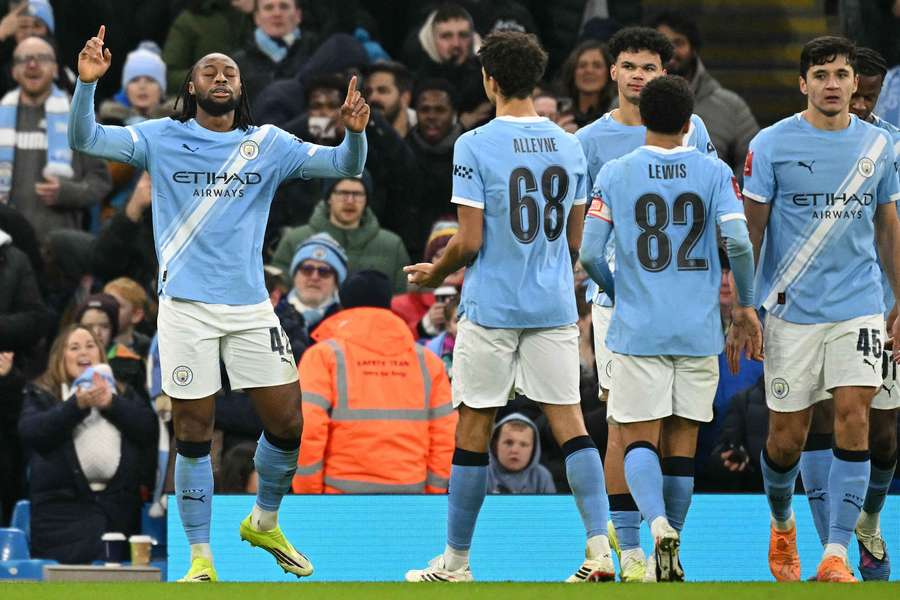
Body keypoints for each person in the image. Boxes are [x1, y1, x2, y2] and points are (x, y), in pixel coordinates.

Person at [69, 25, 369, 582]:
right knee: (194, 431)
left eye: (230, 71)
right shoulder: (160, 136)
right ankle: (201, 559)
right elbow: (87, 140)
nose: (221, 77)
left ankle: (264, 520)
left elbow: (345, 167)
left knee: (287, 423)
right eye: (210, 70)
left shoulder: (269, 145)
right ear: (190, 84)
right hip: (185, 307)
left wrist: (354, 136)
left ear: (241, 86)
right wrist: (87, 86)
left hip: (252, 307)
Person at [404, 31, 615, 583]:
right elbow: (574, 240)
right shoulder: (569, 145)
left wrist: (435, 271)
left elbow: (469, 241)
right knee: (570, 424)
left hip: (493, 307)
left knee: (474, 426)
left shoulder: (474, 143)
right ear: (535, 79)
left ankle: (456, 562)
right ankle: (599, 551)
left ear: (489, 80)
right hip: (551, 305)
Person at [580, 74, 760, 582]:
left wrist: (618, 291)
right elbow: (740, 245)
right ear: (689, 123)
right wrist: (744, 306)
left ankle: (653, 526)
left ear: (641, 118)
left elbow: (590, 253)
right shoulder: (712, 170)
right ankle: (671, 550)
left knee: (636, 435)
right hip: (698, 328)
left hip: (639, 328)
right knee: (681, 443)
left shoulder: (615, 172)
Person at [742, 36, 900, 583]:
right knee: (786, 438)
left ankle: (835, 554)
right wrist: (744, 305)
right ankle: (782, 523)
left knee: (856, 415)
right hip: (789, 309)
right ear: (803, 83)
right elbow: (751, 231)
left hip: (859, 304)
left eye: (841, 74)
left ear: (856, 83)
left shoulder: (880, 148)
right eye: (821, 74)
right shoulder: (771, 143)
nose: (832, 84)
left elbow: (887, 226)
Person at [573, 26, 717, 583]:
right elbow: (581, 232)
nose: (638, 75)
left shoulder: (694, 130)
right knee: (622, 424)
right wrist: (606, 290)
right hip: (619, 294)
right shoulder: (589, 141)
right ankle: (631, 551)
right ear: (611, 71)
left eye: (649, 68)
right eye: (629, 65)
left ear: (667, 75)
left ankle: (659, 545)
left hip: (683, 298)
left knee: (675, 425)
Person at [794, 46, 900, 582]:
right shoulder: (793, 141)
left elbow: (890, 226)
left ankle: (870, 520)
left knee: (881, 435)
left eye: (866, 94)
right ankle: (830, 552)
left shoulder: (889, 147)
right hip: (814, 310)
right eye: (844, 88)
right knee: (820, 419)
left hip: (879, 305)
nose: (854, 101)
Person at [293, 270, 456, 494]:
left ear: (343, 302)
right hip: (411, 495)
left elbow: (309, 429)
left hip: (337, 497)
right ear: (388, 303)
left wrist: (309, 495)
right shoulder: (428, 362)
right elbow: (444, 435)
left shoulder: (322, 357)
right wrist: (432, 494)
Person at [17, 324, 158, 564]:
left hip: (118, 515)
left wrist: (112, 404)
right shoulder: (42, 394)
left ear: (101, 355)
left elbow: (148, 429)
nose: (84, 352)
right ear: (60, 358)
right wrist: (76, 406)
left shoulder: (124, 393)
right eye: (74, 347)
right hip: (61, 519)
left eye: (90, 346)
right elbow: (32, 432)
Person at [1, 36, 111, 240]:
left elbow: (101, 181)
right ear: (13, 71)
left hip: (59, 249)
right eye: (24, 59)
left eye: (41, 58)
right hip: (7, 247)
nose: (32, 65)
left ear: (54, 69)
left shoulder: (80, 115)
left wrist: (69, 193)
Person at [650, 10, 759, 176]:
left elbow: (754, 161)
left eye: (678, 43)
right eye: (662, 44)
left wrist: (726, 194)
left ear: (693, 49)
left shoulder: (732, 107)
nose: (670, 51)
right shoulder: (628, 105)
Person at [271, 175, 410, 293]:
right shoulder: (295, 239)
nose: (350, 201)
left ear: (367, 200)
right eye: (343, 193)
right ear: (329, 198)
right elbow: (278, 291)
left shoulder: (392, 245)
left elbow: (401, 298)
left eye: (357, 194)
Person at [404, 79, 463, 258]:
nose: (431, 116)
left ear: (454, 113)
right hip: (411, 250)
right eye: (425, 109)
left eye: (440, 110)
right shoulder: (403, 153)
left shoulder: (471, 153)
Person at [232, 0, 319, 106]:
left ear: (298, 15)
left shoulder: (317, 52)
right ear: (257, 17)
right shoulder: (237, 64)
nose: (277, 14)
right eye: (269, 8)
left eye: (284, 7)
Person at [162, 0, 254, 93]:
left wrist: (253, 13)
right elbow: (170, 76)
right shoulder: (191, 20)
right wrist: (206, 78)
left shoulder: (253, 12)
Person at [392, 221, 463, 341]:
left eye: (455, 255)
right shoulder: (401, 305)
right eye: (440, 255)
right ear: (428, 263)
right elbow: (392, 343)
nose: (448, 263)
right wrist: (423, 327)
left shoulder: (482, 300)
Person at [276, 232, 347, 343]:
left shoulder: (347, 322)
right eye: (307, 269)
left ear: (336, 282)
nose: (314, 277)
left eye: (324, 272)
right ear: (294, 275)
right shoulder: (270, 313)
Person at [487, 413, 556, 494]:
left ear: (534, 449)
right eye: (508, 443)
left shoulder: (542, 476)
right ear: (495, 446)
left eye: (523, 444)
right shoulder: (482, 474)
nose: (515, 450)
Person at [556, 40, 616, 130]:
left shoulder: (619, 115)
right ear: (573, 72)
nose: (589, 70)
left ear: (610, 72)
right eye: (582, 65)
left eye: (597, 66)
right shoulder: (557, 111)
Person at [363, 61, 416, 138]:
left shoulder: (424, 129)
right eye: (369, 92)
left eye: (382, 91)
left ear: (405, 98)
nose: (372, 98)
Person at [102, 277, 152, 359]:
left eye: (116, 305)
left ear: (136, 315)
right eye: (105, 304)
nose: (108, 310)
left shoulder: (147, 349)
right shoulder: (94, 345)